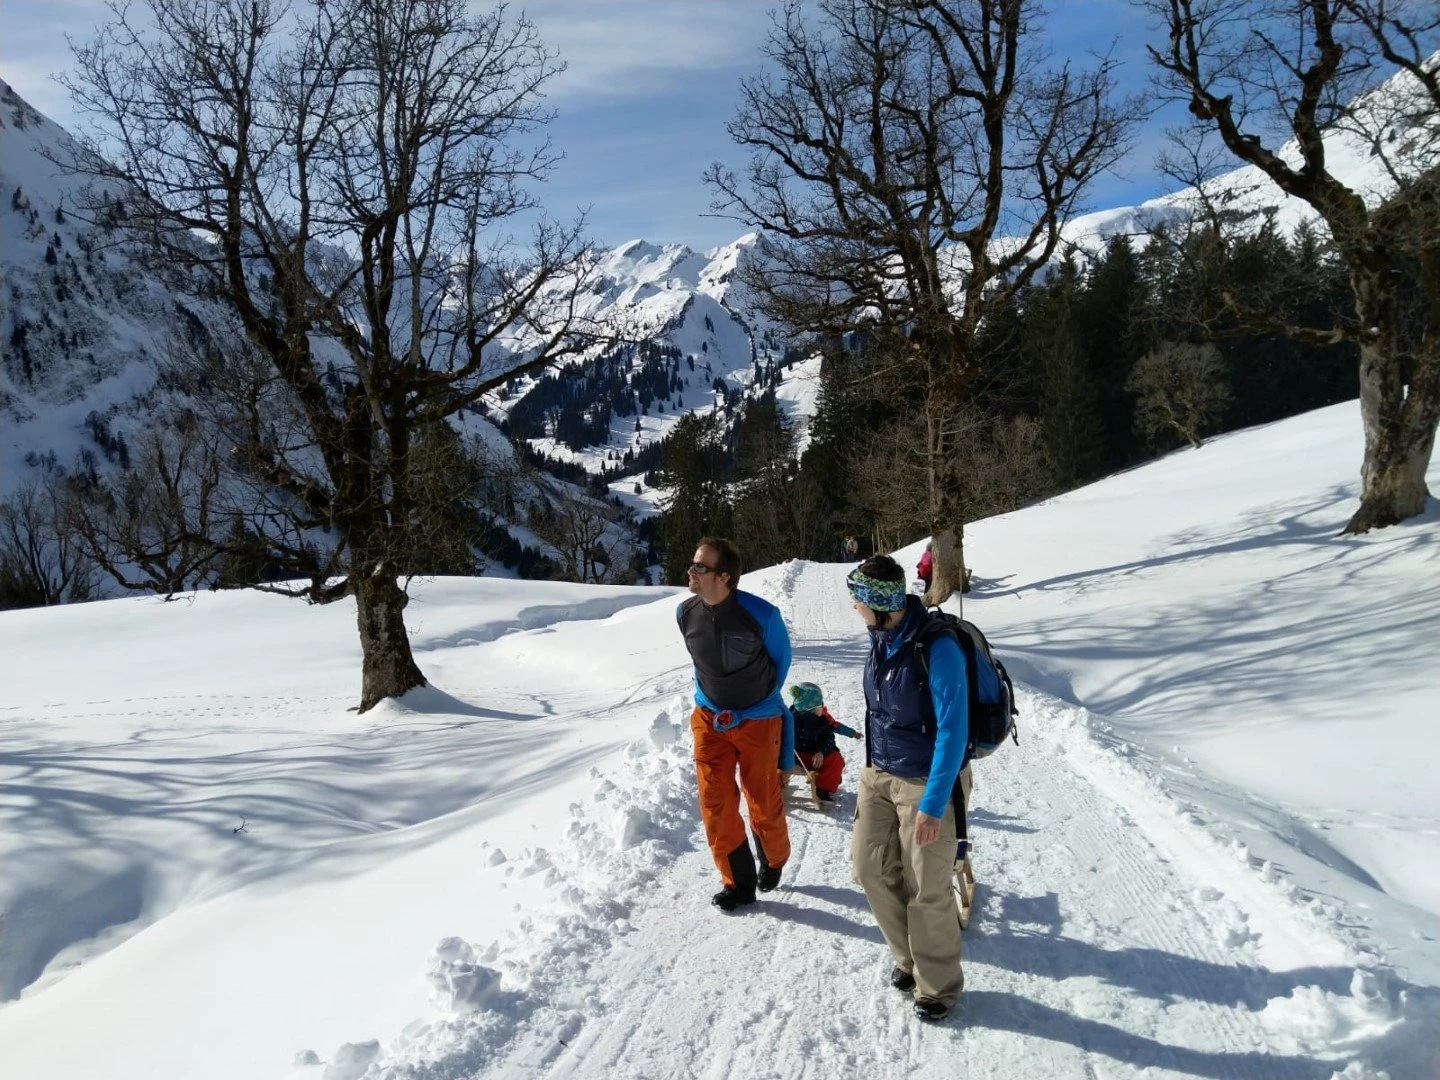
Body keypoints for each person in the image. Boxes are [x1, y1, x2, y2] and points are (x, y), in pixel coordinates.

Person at [846, 554, 970, 1022]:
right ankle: (908, 958)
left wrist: (934, 805)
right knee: (869, 868)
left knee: (927, 886)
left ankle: (937, 985)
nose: (854, 608)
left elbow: (953, 732)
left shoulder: (936, 648)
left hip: (925, 783)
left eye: (859, 600)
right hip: (878, 773)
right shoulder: (879, 637)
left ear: (881, 604)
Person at [677, 537, 794, 912]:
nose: (691, 572)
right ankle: (738, 882)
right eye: (693, 564)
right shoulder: (685, 613)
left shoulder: (763, 616)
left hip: (758, 719)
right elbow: (701, 664)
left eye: (700, 567)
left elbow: (780, 663)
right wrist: (714, 703)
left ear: (724, 577)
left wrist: (752, 703)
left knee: (762, 799)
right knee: (715, 802)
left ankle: (774, 858)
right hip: (709, 719)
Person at [787, 682, 860, 801]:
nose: (823, 707)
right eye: (820, 705)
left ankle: (824, 788)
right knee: (836, 760)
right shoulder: (789, 719)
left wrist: (821, 751)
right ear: (811, 709)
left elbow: (829, 738)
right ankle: (772, 782)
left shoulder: (822, 720)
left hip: (814, 758)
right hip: (793, 756)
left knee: (835, 759)